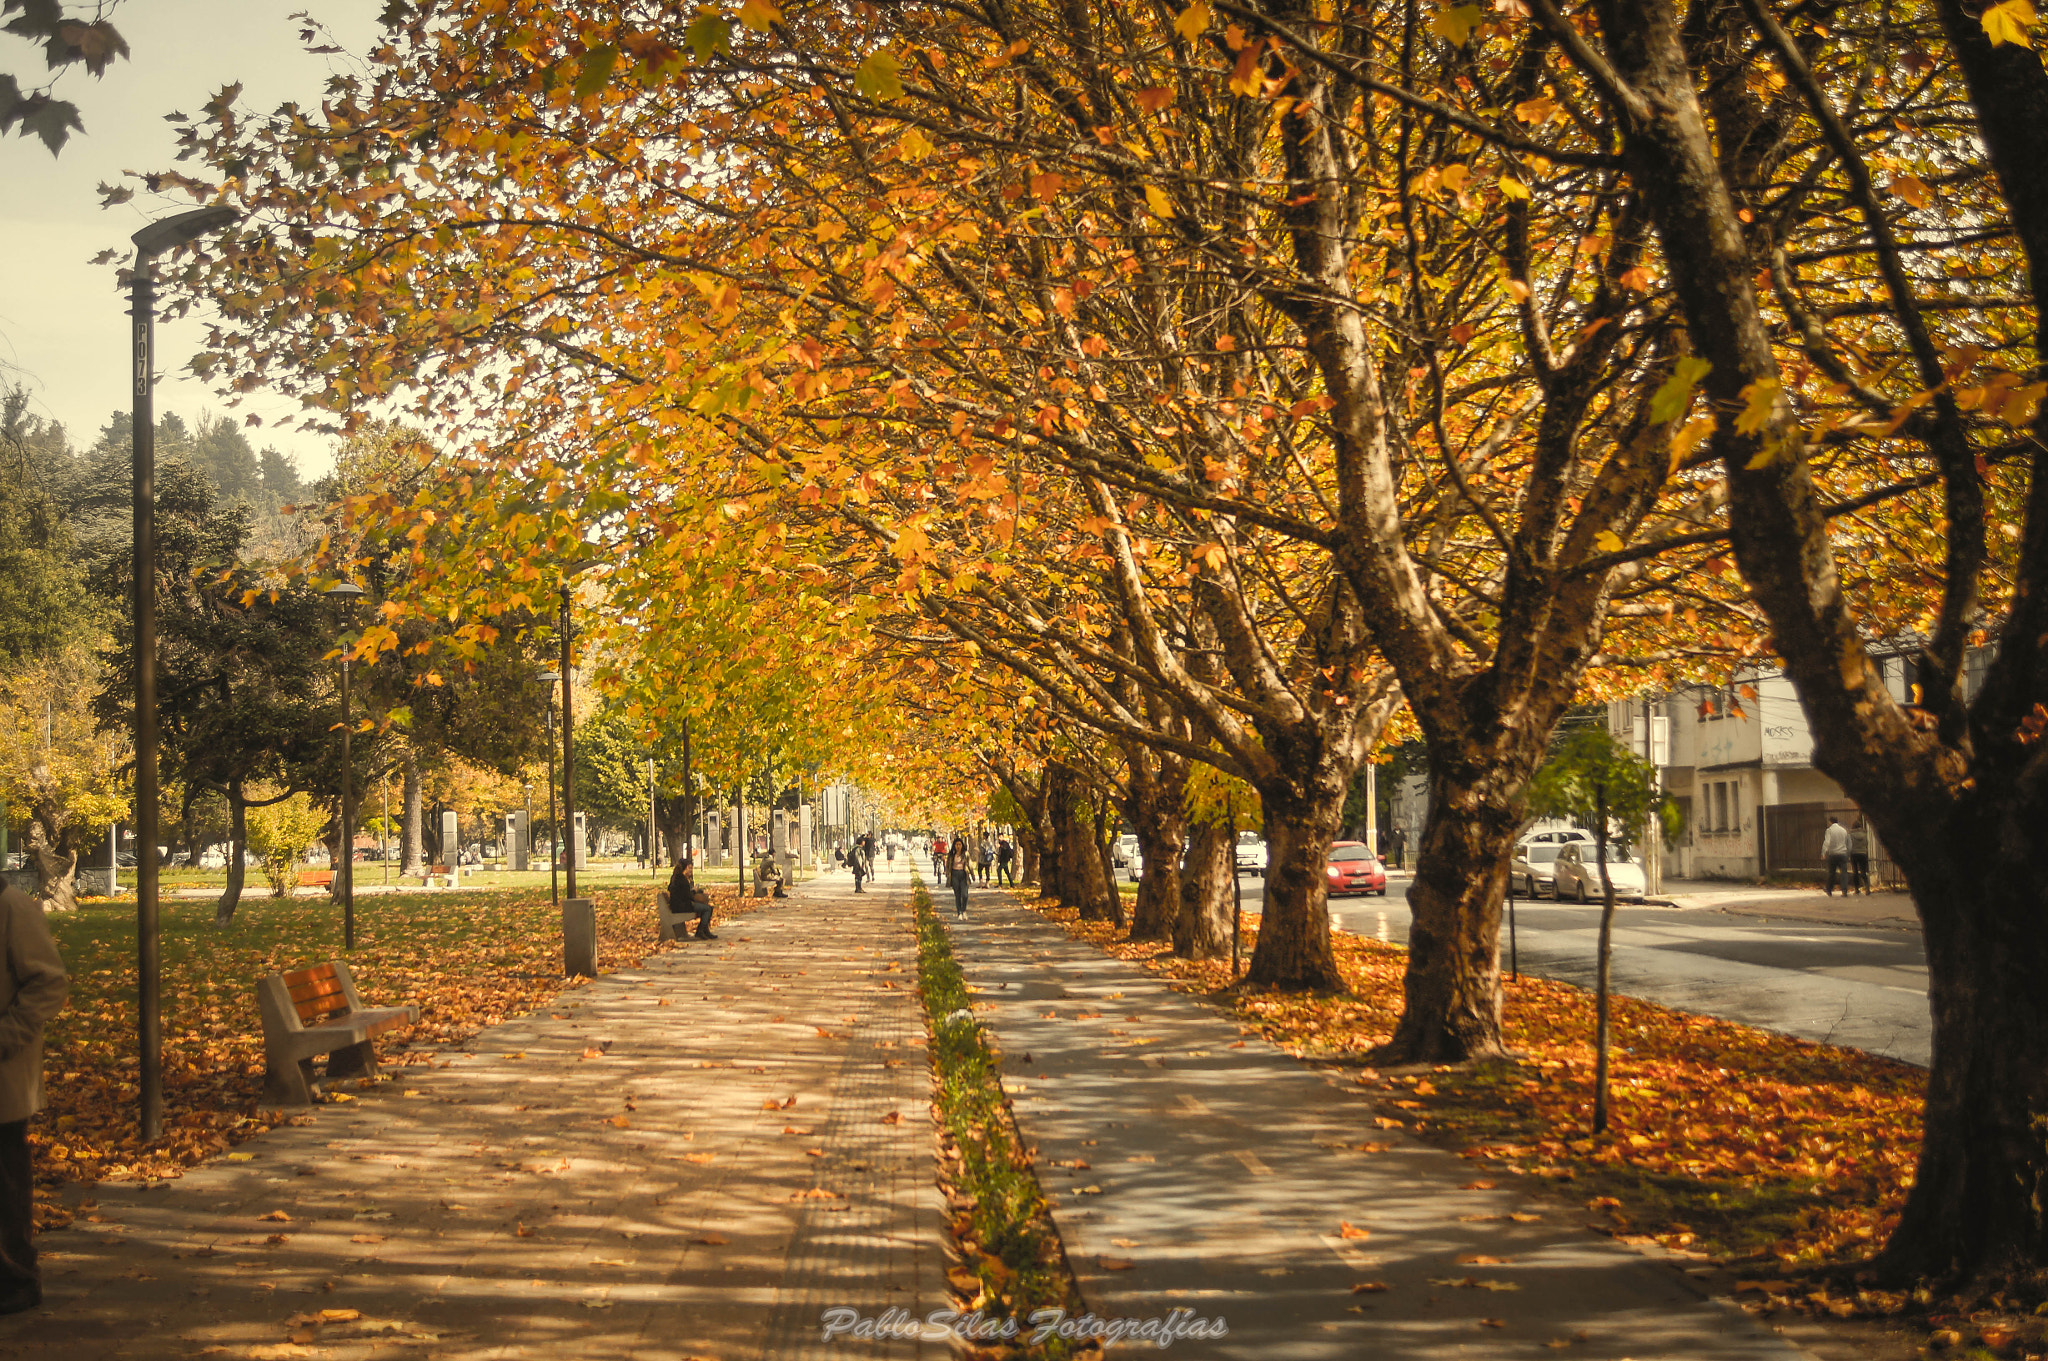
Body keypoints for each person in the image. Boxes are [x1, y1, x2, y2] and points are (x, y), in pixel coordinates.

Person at [0, 879, 69, 1315]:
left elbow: (48, 983)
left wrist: (5, 1037)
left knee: (5, 1186)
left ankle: (16, 1282)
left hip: (3, 1078)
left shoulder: (11, 906)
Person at [665, 858, 717, 939]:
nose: (691, 871)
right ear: (684, 869)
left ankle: (704, 931)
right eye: (689, 868)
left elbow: (677, 891)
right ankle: (701, 931)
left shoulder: (675, 877)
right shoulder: (682, 880)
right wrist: (694, 891)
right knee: (708, 909)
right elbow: (688, 896)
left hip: (678, 905)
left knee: (705, 907)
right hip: (682, 907)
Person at [1822, 816, 1852, 896]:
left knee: (1832, 872)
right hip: (1842, 854)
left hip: (1833, 854)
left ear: (1830, 822)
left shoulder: (1829, 830)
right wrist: (1847, 853)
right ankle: (1844, 890)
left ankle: (1829, 889)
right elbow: (1848, 842)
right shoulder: (1844, 830)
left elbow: (1827, 842)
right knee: (1844, 873)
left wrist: (1824, 852)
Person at [946, 834, 973, 919]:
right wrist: (948, 874)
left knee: (964, 894)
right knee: (957, 895)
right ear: (954, 845)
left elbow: (970, 864)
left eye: (960, 844)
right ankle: (959, 913)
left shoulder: (965, 854)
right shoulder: (951, 855)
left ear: (962, 845)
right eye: (956, 844)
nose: (958, 846)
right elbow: (948, 865)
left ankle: (964, 910)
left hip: (963, 875)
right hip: (954, 875)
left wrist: (972, 874)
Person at [1849, 816, 1873, 896]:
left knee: (1855, 872)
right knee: (1863, 871)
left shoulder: (1850, 835)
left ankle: (1856, 889)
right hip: (1863, 853)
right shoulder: (1865, 834)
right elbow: (1866, 843)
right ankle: (1867, 888)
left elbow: (1848, 845)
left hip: (1854, 854)